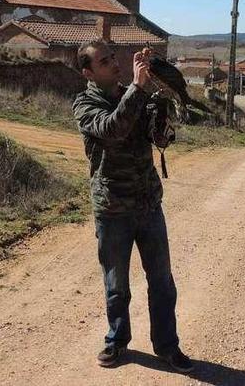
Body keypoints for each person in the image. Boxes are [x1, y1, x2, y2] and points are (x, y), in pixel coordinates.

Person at [71, 40, 193, 373]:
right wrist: (138, 91)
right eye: (103, 61)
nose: (113, 63)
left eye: (113, 57)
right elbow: (112, 129)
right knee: (116, 286)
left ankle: (168, 347)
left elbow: (160, 139)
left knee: (163, 283)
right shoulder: (84, 104)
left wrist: (162, 106)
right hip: (112, 209)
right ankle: (117, 341)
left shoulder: (136, 93)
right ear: (88, 72)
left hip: (148, 205)